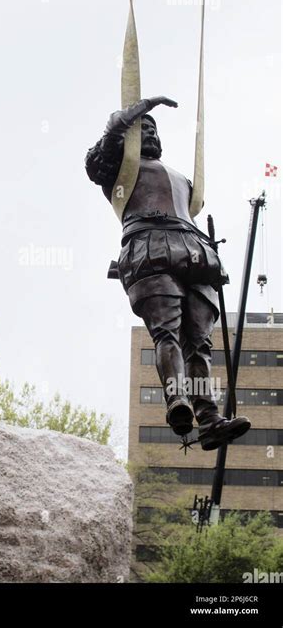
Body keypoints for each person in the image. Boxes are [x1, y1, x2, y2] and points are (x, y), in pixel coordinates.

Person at [85, 96, 250, 451]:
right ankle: (177, 400)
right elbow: (96, 161)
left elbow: (190, 212)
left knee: (200, 343)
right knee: (167, 333)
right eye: (142, 128)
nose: (150, 132)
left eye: (153, 128)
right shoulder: (120, 174)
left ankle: (209, 418)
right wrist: (130, 114)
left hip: (193, 252)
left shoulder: (181, 179)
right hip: (150, 247)